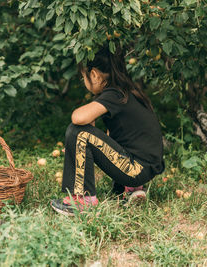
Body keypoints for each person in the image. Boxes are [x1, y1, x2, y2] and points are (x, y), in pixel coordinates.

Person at [51, 45, 165, 216]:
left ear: (94, 75)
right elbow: (113, 139)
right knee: (86, 135)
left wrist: (79, 139)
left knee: (77, 131)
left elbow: (78, 118)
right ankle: (131, 188)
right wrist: (81, 149)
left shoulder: (114, 95)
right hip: (142, 168)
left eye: (84, 77)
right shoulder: (126, 91)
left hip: (135, 168)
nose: (84, 82)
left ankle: (83, 201)